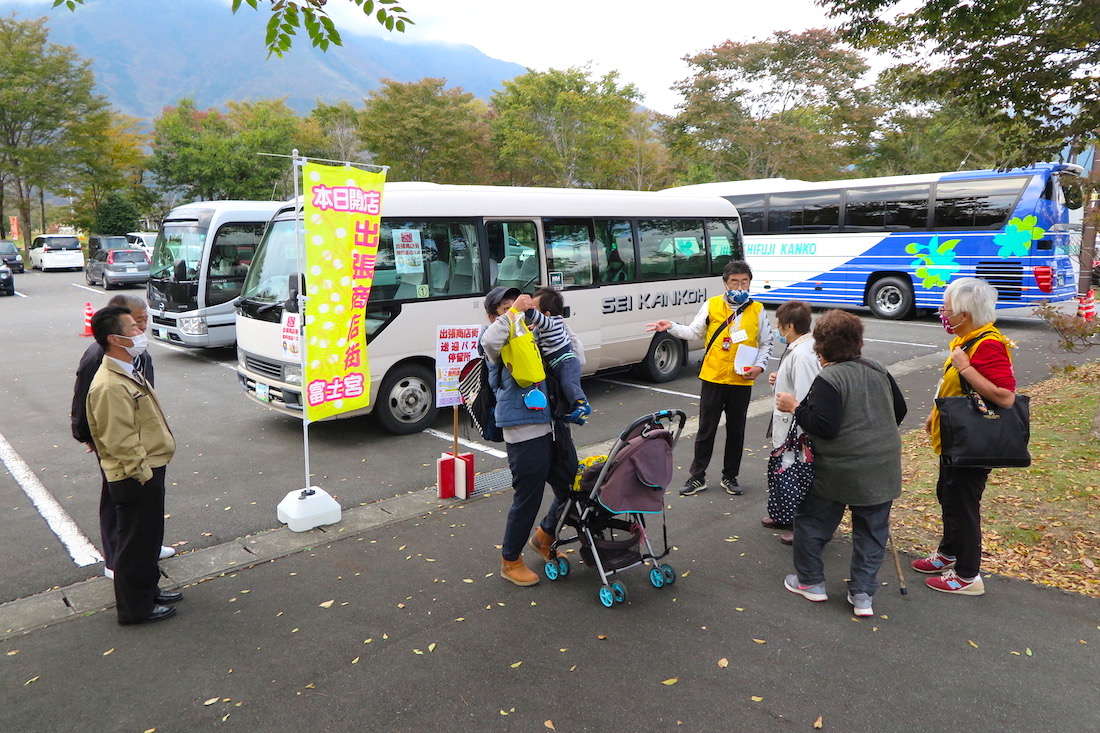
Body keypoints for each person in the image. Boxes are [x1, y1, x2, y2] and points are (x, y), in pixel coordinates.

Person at [776, 309, 907, 618]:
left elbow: (823, 426)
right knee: (872, 530)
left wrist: (794, 406)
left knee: (812, 521)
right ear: (857, 342)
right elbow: (898, 410)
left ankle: (810, 581)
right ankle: (862, 594)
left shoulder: (829, 378)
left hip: (838, 469)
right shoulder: (877, 369)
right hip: (883, 465)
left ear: (821, 346)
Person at [913, 278, 1017, 596]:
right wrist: (935, 416)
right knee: (948, 495)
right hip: (955, 438)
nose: (942, 313)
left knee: (963, 503)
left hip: (972, 443)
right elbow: (955, 389)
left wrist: (967, 368)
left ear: (965, 314)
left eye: (947, 308)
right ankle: (949, 552)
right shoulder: (967, 340)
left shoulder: (987, 344)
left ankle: (968, 574)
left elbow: (1005, 396)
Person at [86, 306, 181, 624]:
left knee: (148, 539)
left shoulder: (126, 368)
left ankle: (148, 592)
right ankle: (134, 608)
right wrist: (142, 473)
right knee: (134, 544)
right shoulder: (110, 385)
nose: (141, 332)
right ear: (114, 339)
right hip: (136, 475)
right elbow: (119, 441)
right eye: (133, 329)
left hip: (148, 468)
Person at [646, 260, 773, 496]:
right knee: (706, 429)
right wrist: (670, 326)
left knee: (736, 431)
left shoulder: (757, 310)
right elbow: (693, 332)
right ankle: (697, 477)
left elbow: (766, 343)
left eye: (744, 282)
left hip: (741, 380)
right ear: (725, 283)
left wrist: (759, 367)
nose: (740, 286)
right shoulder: (712, 305)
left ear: (750, 283)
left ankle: (730, 476)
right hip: (713, 377)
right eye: (734, 281)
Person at [480, 286, 579, 586]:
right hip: (523, 432)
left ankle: (545, 536)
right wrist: (513, 315)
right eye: (505, 305)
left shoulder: (534, 331)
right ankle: (510, 561)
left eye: (516, 301)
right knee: (528, 498)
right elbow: (489, 340)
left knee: (572, 487)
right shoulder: (496, 339)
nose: (515, 307)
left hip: (554, 425)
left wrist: (551, 323)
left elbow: (576, 355)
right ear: (492, 314)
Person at [71, 294, 175, 579]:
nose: (143, 329)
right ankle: (116, 558)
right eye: (136, 323)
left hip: (144, 445)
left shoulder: (138, 354)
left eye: (144, 321)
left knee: (144, 516)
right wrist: (86, 436)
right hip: (120, 448)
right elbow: (85, 401)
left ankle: (146, 550)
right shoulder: (98, 358)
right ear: (117, 328)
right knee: (120, 504)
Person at [763, 301, 820, 545]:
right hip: (786, 424)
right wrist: (779, 379)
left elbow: (805, 394)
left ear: (788, 326)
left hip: (795, 429)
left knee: (795, 477)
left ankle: (801, 527)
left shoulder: (802, 353)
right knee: (782, 471)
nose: (777, 329)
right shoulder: (799, 347)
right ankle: (782, 515)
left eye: (779, 324)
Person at [512, 287, 591, 424]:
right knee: (562, 389)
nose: (532, 314)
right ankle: (576, 414)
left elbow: (541, 321)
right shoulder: (541, 327)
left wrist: (526, 309)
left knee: (568, 383)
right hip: (557, 364)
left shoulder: (553, 323)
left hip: (567, 362)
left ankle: (583, 405)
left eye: (535, 309)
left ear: (546, 314)